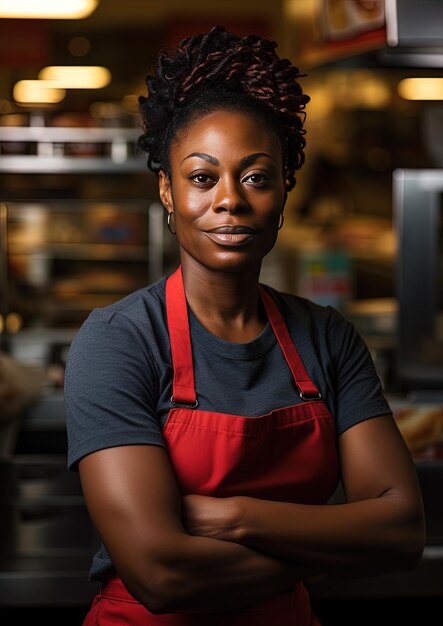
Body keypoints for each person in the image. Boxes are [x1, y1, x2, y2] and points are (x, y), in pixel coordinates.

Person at [64, 25, 425, 625]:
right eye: (202, 178)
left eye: (256, 176)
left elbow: (402, 531)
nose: (229, 200)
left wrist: (235, 517)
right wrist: (323, 551)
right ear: (168, 191)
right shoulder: (119, 340)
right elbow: (160, 574)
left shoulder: (327, 337)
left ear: (286, 187)